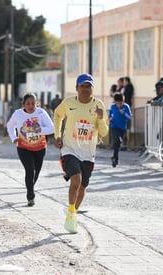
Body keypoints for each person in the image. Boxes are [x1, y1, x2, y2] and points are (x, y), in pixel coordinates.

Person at [53, 73, 108, 233]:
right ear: (77, 88)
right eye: (82, 86)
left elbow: (104, 133)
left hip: (88, 152)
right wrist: (57, 135)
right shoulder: (69, 103)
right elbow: (57, 116)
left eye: (88, 86)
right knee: (76, 180)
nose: (85, 89)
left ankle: (72, 213)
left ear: (92, 88)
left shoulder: (98, 105)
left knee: (82, 187)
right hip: (69, 148)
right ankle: (71, 211)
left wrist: (100, 118)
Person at [7, 93, 54, 207]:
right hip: (24, 148)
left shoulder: (41, 113)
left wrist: (40, 130)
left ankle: (30, 187)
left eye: (33, 103)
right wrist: (14, 137)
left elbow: (51, 128)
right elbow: (10, 125)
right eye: (28, 103)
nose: (30, 105)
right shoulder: (18, 114)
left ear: (36, 103)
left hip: (40, 148)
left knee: (36, 173)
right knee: (30, 170)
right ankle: (30, 196)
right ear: (23, 104)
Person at [109, 93, 132, 167]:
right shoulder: (112, 107)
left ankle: (114, 158)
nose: (119, 105)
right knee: (118, 141)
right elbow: (110, 115)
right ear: (115, 102)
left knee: (117, 144)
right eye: (117, 103)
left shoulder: (126, 106)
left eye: (120, 103)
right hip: (114, 126)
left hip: (122, 128)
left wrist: (124, 113)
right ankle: (115, 158)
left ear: (123, 101)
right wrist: (110, 119)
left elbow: (130, 117)